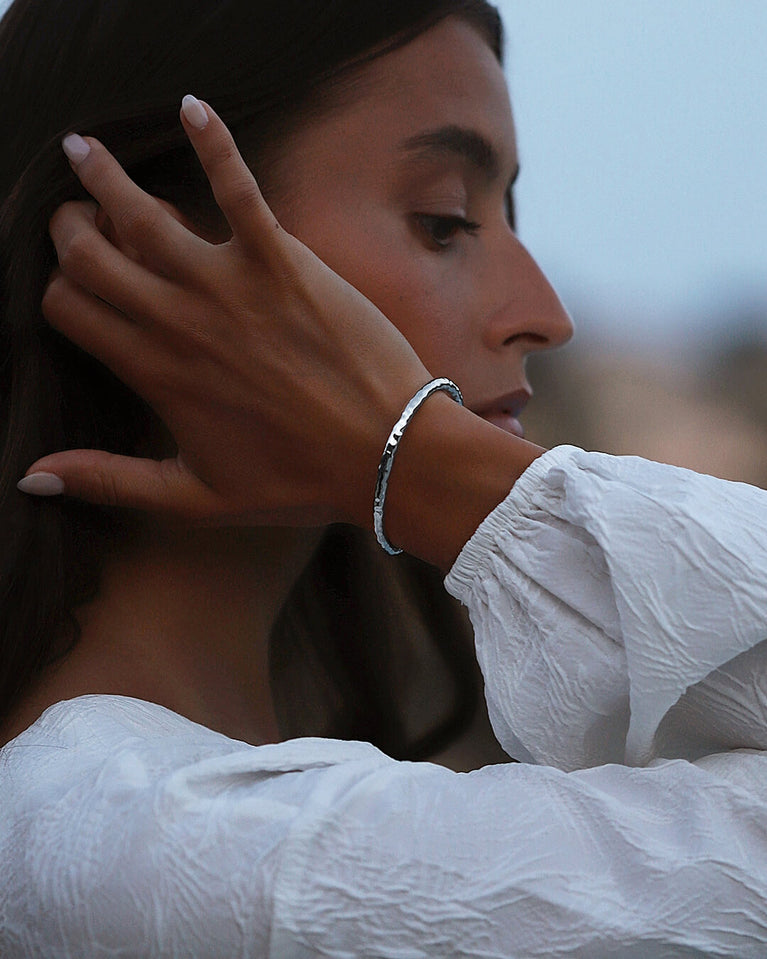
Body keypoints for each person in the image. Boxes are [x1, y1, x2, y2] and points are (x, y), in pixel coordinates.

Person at [2, 1, 767, 956]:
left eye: (508, 218)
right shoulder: (137, 849)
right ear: (138, 250)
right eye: (445, 220)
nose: (544, 312)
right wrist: (425, 464)